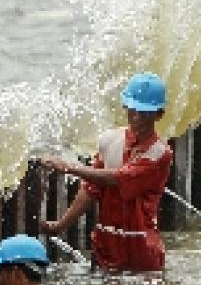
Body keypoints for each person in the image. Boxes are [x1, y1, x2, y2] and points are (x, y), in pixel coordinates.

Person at [38, 72, 173, 272]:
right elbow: (92, 190)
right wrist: (60, 225)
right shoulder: (110, 141)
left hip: (141, 252)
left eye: (144, 113)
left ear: (158, 114)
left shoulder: (160, 154)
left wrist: (68, 167)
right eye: (132, 110)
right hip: (106, 246)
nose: (136, 117)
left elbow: (117, 178)